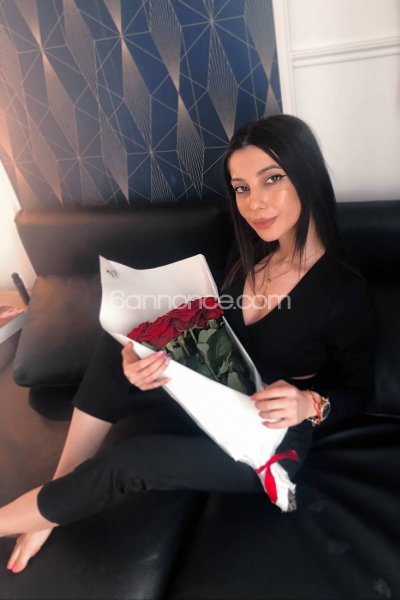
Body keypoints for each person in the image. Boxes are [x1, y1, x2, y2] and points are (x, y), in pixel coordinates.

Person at [1, 114, 377, 574]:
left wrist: (308, 404)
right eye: (241, 188)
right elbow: (214, 339)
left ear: (307, 175)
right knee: (119, 342)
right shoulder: (248, 257)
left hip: (268, 436)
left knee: (132, 460)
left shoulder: (344, 290)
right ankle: (54, 500)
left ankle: (32, 515)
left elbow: (359, 391)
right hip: (213, 395)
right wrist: (140, 363)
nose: (255, 203)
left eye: (272, 179)